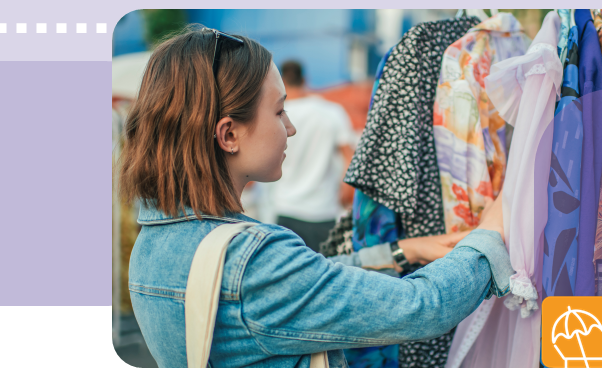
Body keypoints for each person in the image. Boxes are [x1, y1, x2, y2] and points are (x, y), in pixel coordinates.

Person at [118, 24, 512, 368]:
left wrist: (401, 251)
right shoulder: (253, 260)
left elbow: (304, 288)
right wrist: (487, 236)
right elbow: (422, 307)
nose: (289, 128)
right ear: (228, 135)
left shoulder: (154, 241)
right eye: (278, 112)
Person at [266, 60, 356, 247]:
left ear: (282, 81)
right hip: (323, 211)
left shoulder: (276, 116)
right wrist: (345, 193)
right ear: (305, 79)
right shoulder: (332, 112)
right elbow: (350, 159)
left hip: (286, 209)